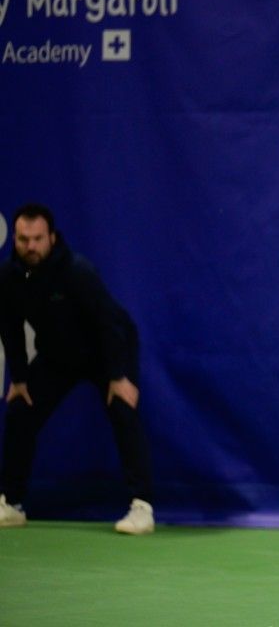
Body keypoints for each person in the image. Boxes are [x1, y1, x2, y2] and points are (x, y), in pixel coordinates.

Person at [0, 203, 155, 534]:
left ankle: (142, 507)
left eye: (37, 239)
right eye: (24, 239)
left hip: (106, 350)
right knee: (19, 410)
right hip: (58, 355)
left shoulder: (76, 270)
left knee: (123, 410)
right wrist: (20, 378)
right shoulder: (9, 277)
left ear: (52, 238)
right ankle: (11, 504)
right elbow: (9, 327)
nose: (31, 246)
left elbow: (108, 322)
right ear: (15, 239)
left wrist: (118, 375)